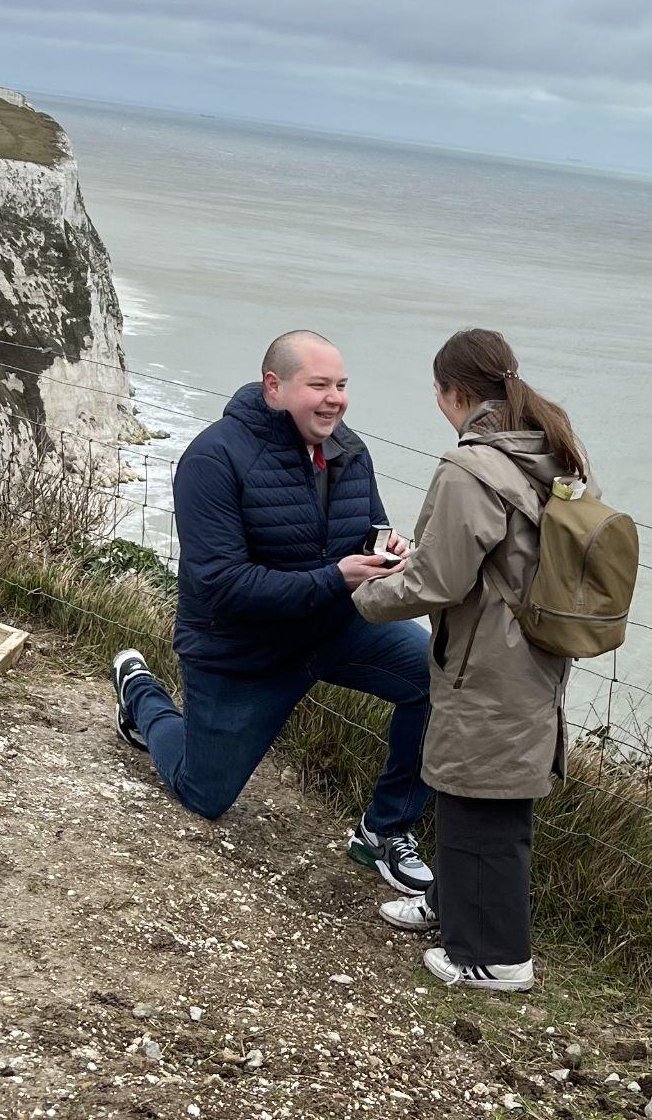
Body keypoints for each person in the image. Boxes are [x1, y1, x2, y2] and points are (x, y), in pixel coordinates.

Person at [109, 330, 435, 895]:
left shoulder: (349, 450)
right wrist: (335, 576)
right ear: (274, 387)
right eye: (319, 385)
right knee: (203, 795)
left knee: (439, 678)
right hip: (242, 648)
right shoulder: (212, 459)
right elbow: (222, 585)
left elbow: (365, 528)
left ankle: (384, 831)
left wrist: (389, 550)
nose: (335, 399)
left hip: (334, 629)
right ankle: (140, 696)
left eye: (341, 385)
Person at [350, 327, 589, 993]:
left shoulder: (471, 468)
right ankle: (454, 908)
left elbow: (437, 581)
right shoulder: (545, 452)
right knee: (472, 791)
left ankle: (498, 959)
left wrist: (364, 595)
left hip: (488, 657)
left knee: (485, 805)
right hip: (530, 652)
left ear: (449, 393)